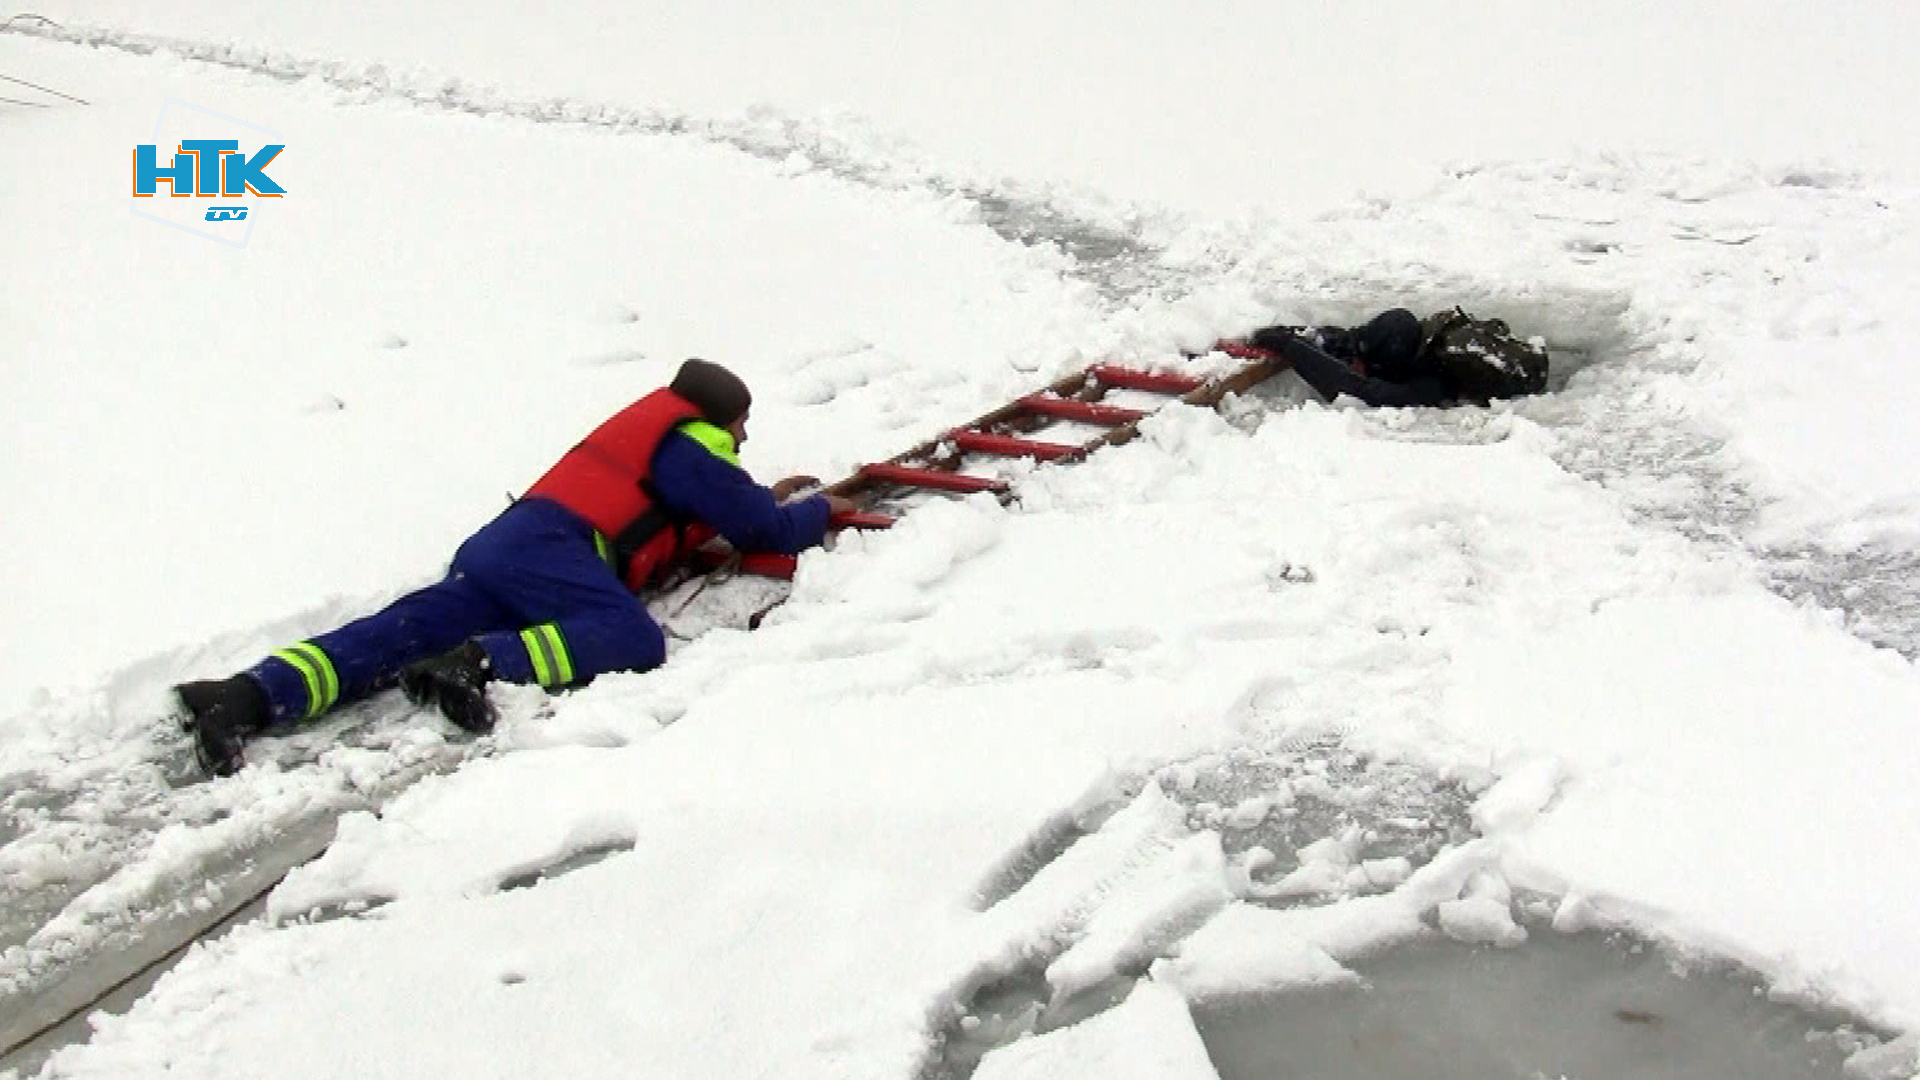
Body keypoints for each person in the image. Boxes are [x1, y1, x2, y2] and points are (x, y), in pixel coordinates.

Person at [174, 359, 857, 777]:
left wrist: (761, 497)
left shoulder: (659, 433)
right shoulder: (694, 447)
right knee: (633, 638)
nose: (745, 438)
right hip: (558, 552)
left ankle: (246, 696)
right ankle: (477, 662)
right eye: (742, 424)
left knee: (402, 629)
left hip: (509, 543)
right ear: (719, 417)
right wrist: (823, 511)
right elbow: (768, 533)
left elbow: (688, 511)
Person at [1249, 307, 1548, 407]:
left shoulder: (1432, 382)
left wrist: (1292, 348)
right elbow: (1351, 339)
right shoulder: (1421, 336)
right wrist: (1292, 334)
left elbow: (1359, 392)